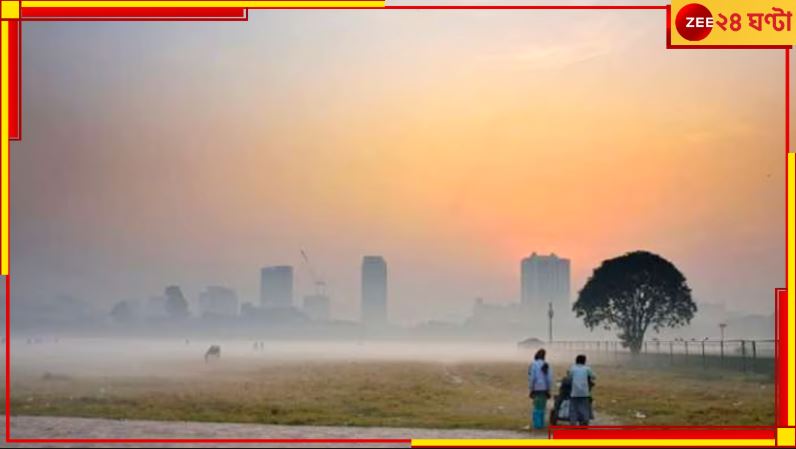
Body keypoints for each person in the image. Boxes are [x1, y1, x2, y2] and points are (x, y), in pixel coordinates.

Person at [528, 349, 553, 429]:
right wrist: (549, 388)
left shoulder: (534, 364)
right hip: (544, 388)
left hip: (536, 388)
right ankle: (541, 424)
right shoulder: (546, 365)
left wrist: (531, 388)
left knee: (536, 407)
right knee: (542, 407)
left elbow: (532, 378)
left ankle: (537, 425)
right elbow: (549, 378)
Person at [567, 354, 595, 426]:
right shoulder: (587, 369)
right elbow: (594, 376)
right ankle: (584, 422)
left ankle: (573, 423)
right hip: (584, 393)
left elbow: (569, 377)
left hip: (574, 393)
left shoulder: (573, 368)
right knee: (584, 408)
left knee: (573, 409)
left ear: (576, 361)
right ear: (584, 361)